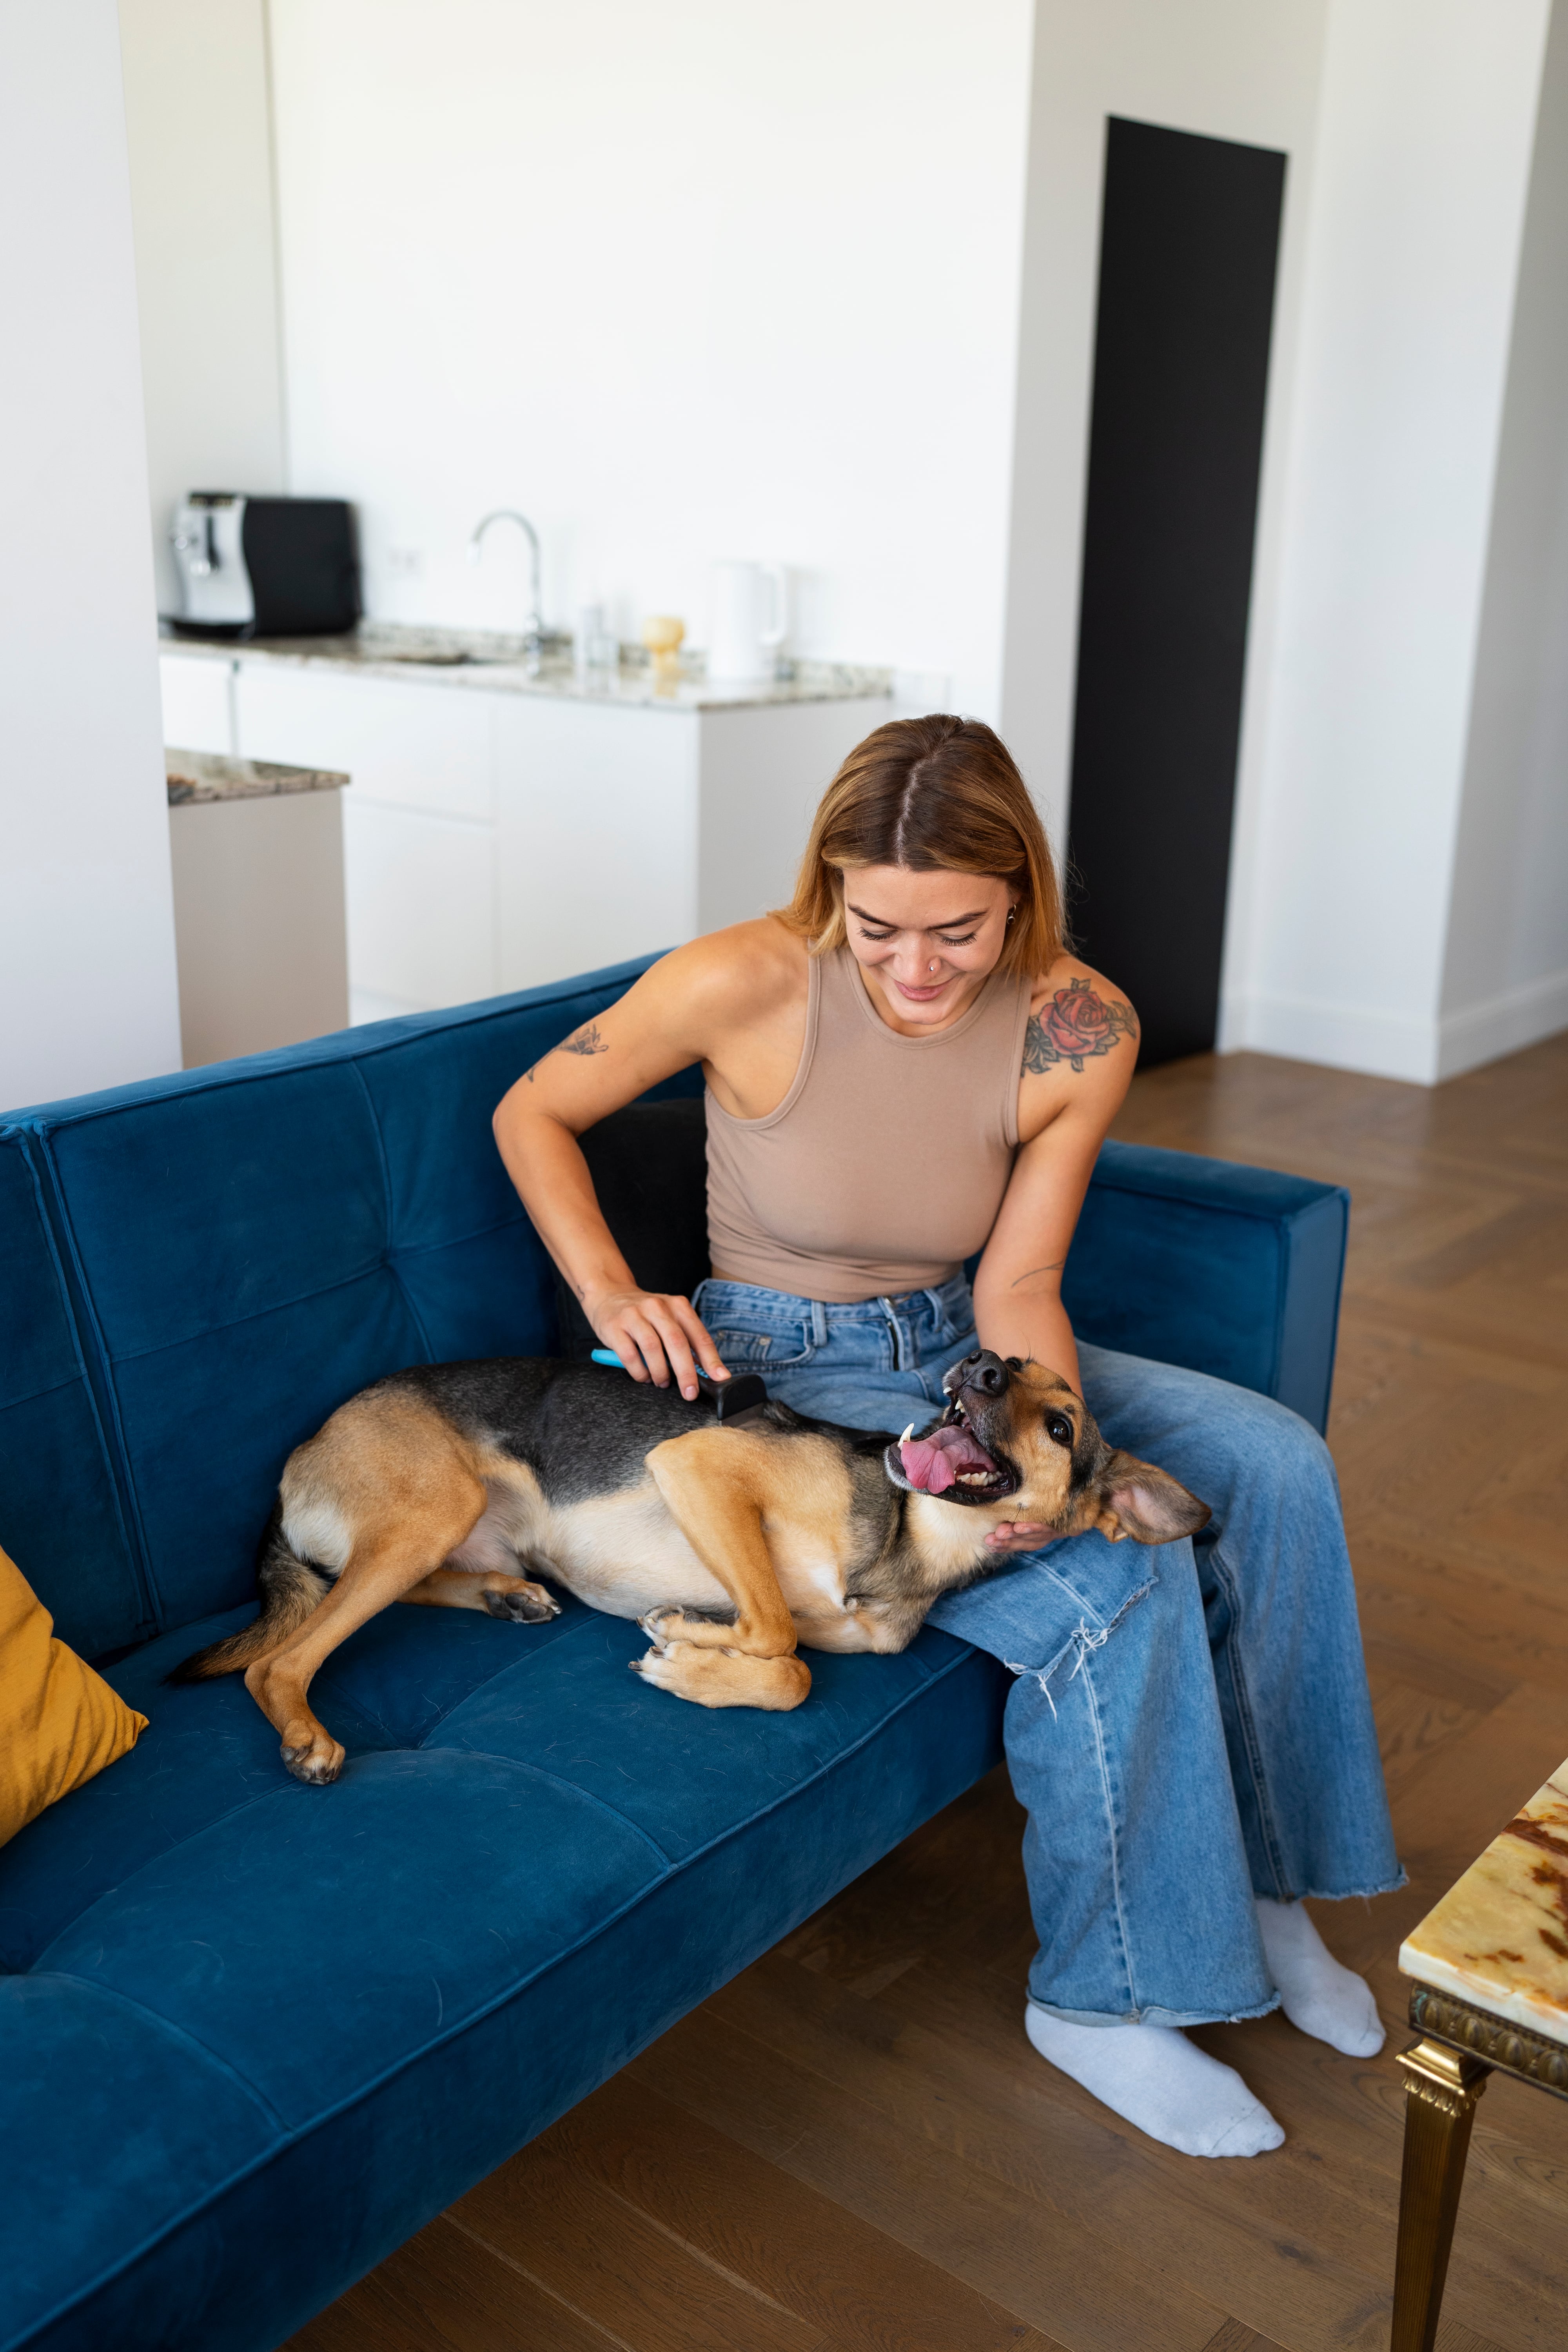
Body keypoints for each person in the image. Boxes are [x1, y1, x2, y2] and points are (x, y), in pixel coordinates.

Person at [493, 713, 1401, 2158]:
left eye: (960, 932)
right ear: (833, 891)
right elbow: (535, 1106)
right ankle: (1104, 2002)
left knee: (1278, 1462)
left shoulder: (1079, 1024)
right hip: (798, 1363)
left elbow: (1021, 1284)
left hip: (974, 1348)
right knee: (1113, 1586)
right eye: (879, 929)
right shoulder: (740, 978)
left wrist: (1054, 1456)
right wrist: (613, 1287)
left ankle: (1265, 1893)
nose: (917, 971)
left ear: (1022, 895)